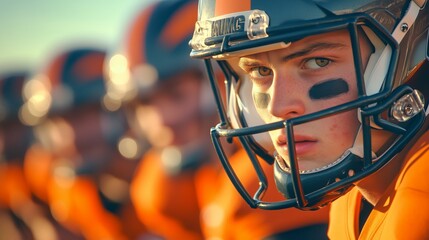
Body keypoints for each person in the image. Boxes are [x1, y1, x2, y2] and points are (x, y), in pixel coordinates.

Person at [189, 0, 429, 239]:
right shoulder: (353, 201)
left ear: (410, 55)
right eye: (261, 71)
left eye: (318, 62)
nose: (278, 107)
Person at [106, 0, 330, 239]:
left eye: (176, 94)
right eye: (145, 103)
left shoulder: (269, 177)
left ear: (234, 77)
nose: (162, 120)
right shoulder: (163, 187)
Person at [20, 46, 140, 240]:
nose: (71, 135)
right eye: (59, 121)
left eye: (84, 115)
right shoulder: (66, 190)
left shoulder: (163, 178)